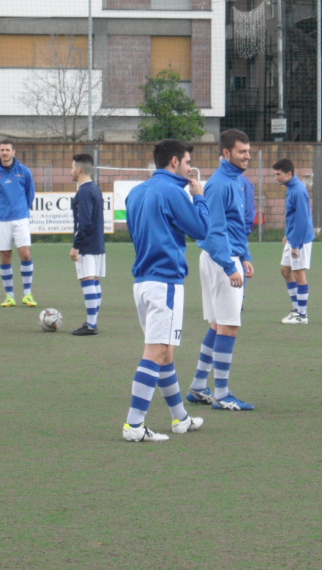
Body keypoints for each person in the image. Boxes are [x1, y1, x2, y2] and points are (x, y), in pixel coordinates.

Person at [122, 138, 210, 442]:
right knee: (157, 351)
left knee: (166, 353)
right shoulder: (173, 192)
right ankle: (134, 425)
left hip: (143, 281)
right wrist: (199, 198)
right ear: (175, 162)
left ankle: (180, 418)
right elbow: (201, 230)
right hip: (165, 282)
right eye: (187, 162)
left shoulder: (136, 193)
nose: (189, 169)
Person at [186, 129, 256, 411]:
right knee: (229, 326)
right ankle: (223, 394)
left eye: (248, 151)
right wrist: (229, 265)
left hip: (228, 256)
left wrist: (245, 255)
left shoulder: (236, 180)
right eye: (242, 152)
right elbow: (214, 229)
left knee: (218, 325)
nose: (247, 156)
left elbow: (235, 225)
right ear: (226, 153)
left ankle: (198, 386)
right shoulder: (219, 184)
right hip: (220, 259)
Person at [0, 140, 37, 307]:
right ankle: (9, 296)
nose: (5, 153)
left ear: (13, 152)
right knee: (5, 256)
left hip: (21, 218)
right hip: (2, 220)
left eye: (7, 150)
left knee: (25, 254)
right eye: (2, 150)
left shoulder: (24, 172)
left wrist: (22, 210)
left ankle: (27, 294)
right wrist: (1, 211)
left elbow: (30, 193)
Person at [273, 158, 314, 324]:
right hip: (293, 237)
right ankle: (297, 309)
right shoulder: (292, 188)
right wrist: (288, 234)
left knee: (298, 273)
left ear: (289, 173)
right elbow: (293, 216)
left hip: (300, 240)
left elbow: (302, 219)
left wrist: (296, 244)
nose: (276, 177)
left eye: (278, 174)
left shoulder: (298, 190)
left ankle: (302, 315)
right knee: (285, 270)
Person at [69, 153, 105, 336]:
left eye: (72, 167)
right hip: (98, 243)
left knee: (87, 281)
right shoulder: (95, 189)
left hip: (87, 244)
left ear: (79, 170)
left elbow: (85, 222)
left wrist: (76, 246)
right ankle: (92, 322)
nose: (70, 171)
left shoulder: (83, 192)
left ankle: (91, 325)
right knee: (95, 282)